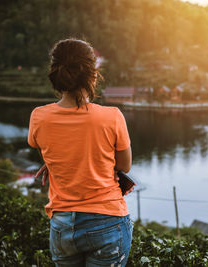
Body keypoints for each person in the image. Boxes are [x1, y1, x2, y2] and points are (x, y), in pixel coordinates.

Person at [28, 38, 133, 266]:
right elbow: (124, 166)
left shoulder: (39, 116)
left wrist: (59, 161)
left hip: (63, 224)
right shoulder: (112, 116)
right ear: (93, 75)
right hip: (107, 221)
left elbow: (46, 149)